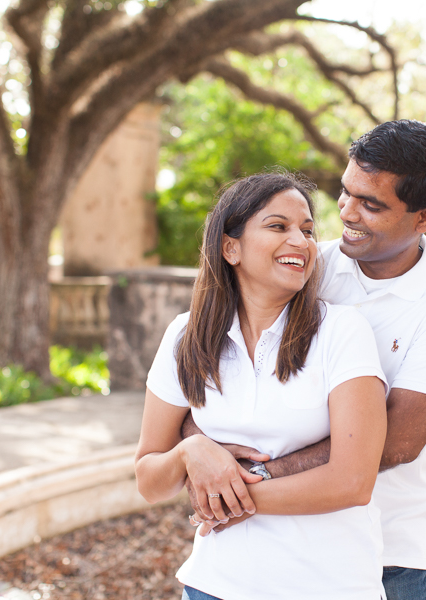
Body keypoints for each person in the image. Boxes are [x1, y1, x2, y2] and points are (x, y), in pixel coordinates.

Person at [184, 120, 426, 600]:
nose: (347, 212)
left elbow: (395, 443)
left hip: (391, 552)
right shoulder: (302, 268)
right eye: (345, 193)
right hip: (274, 542)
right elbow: (206, 375)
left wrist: (247, 482)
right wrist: (198, 448)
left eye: (371, 204)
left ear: (425, 217)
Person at [134, 172, 389, 600]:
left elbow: (353, 481)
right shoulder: (185, 337)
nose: (302, 242)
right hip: (213, 586)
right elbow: (149, 479)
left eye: (307, 231)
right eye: (278, 226)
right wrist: (192, 452)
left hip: (330, 587)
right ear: (230, 247)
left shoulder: (342, 331)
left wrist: (225, 494)